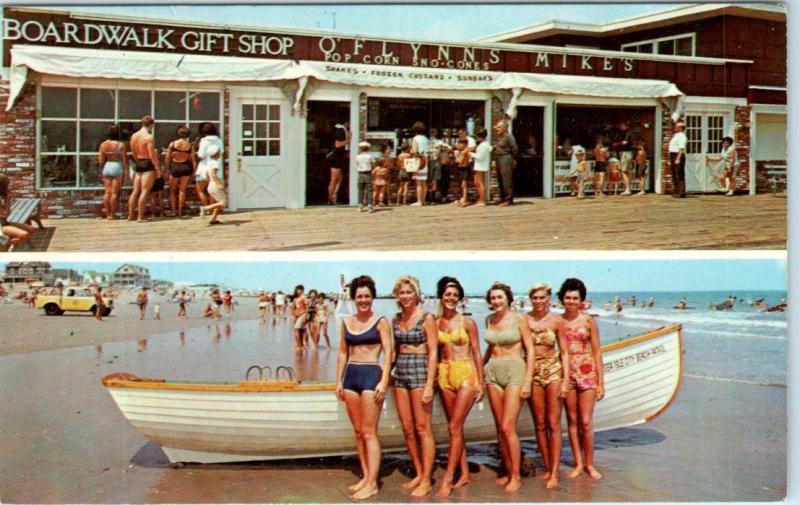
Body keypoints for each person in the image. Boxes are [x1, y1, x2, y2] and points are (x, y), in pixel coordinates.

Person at [334, 275, 392, 500]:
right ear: (354, 298)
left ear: (373, 297)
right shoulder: (347, 321)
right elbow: (341, 352)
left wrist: (384, 380)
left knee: (369, 432)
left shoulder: (380, 322)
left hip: (371, 375)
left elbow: (389, 353)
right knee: (358, 432)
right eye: (359, 296)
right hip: (351, 376)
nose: (363, 300)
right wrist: (338, 380)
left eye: (367, 296)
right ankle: (366, 477)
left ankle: (373, 483)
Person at [435, 277, 484, 497]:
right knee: (456, 427)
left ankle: (447, 477)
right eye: (447, 294)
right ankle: (464, 473)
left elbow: (477, 352)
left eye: (455, 295)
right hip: (444, 374)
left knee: (454, 427)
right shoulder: (435, 323)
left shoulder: (468, 323)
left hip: (466, 372)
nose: (451, 298)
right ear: (441, 296)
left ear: (460, 298)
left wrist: (481, 382)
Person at [483, 282, 534, 492]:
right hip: (493, 372)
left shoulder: (519, 320)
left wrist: (528, 380)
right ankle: (507, 470)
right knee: (499, 428)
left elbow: (530, 351)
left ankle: (516, 476)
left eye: (500, 297)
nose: (496, 301)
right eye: (493, 298)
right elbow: (491, 347)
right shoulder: (489, 319)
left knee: (507, 426)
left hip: (515, 371)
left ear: (508, 299)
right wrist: (479, 366)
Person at [390, 275, 437, 497]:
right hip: (400, 370)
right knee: (407, 428)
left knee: (422, 427)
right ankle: (418, 473)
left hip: (420, 369)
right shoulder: (395, 318)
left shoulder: (427, 318)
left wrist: (429, 384)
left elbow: (434, 352)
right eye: (402, 293)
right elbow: (392, 350)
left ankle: (427, 479)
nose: (406, 296)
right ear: (397, 296)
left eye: (409, 292)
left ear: (417, 294)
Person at [558, 278, 604, 480]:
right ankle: (578, 463)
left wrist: (601, 382)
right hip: (567, 372)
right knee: (572, 420)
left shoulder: (588, 321)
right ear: (562, 299)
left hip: (587, 372)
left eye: (575, 298)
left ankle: (590, 464)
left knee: (586, 421)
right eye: (567, 297)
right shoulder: (557, 322)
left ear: (581, 300)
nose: (571, 301)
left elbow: (597, 351)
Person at [524, 283, 564, 489]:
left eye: (542, 298)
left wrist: (565, 381)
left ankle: (555, 472)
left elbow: (564, 351)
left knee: (553, 423)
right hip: (532, 372)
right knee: (539, 423)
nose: (538, 301)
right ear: (531, 299)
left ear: (548, 299)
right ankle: (548, 467)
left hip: (553, 370)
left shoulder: (557, 321)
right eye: (535, 298)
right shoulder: (525, 320)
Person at [128, 115, 162, 222]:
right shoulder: (149, 137)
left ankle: (130, 215)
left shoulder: (134, 136)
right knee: (145, 191)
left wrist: (138, 160)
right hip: (147, 163)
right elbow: (152, 155)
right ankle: (140, 216)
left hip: (138, 162)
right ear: (151, 125)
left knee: (135, 191)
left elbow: (133, 152)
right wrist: (157, 168)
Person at [97, 124, 128, 220]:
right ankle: (113, 215)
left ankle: (108, 214)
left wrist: (101, 170)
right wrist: (126, 171)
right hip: (116, 165)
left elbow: (101, 160)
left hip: (107, 166)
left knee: (107, 192)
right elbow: (124, 160)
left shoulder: (103, 145)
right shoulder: (120, 145)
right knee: (114, 193)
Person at [165, 126, 196, 217]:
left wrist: (167, 169)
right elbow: (193, 160)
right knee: (182, 190)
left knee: (172, 191)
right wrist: (194, 171)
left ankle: (174, 211)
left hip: (175, 166)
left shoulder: (173, 144)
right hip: (185, 167)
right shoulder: (190, 146)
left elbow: (167, 158)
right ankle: (180, 211)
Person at [0, 173, 34, 249]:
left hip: (3, 222)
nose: (8, 187)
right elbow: (5, 213)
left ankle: (3, 242)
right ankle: (3, 243)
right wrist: (8, 200)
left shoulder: (2, 196)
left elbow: (7, 213)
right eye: (7, 184)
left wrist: (7, 199)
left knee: (31, 229)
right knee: (24, 235)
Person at [199, 131, 226, 223]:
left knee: (219, 202)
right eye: (219, 152)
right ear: (216, 153)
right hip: (214, 184)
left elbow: (207, 174)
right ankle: (205, 208)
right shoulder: (215, 163)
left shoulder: (209, 162)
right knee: (223, 203)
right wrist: (219, 184)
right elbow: (214, 174)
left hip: (210, 184)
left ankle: (213, 219)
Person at [492, 120, 518, 206]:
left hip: (506, 158)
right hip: (499, 158)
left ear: (505, 128)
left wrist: (513, 159)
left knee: (506, 179)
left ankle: (509, 199)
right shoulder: (500, 137)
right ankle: (502, 198)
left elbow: (515, 148)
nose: (497, 129)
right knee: (500, 178)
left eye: (499, 127)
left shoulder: (509, 136)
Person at [328, 120, 350, 205]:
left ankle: (334, 196)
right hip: (336, 157)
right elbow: (337, 144)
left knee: (340, 177)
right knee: (334, 178)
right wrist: (348, 140)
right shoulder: (340, 129)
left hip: (338, 156)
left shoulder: (337, 128)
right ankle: (330, 198)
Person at [469, 128, 491, 206]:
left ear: (480, 136)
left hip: (480, 166)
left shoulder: (483, 145)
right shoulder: (484, 144)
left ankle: (483, 200)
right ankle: (481, 198)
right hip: (480, 165)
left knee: (480, 183)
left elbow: (480, 157)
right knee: (477, 183)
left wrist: (470, 154)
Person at [410, 122, 430, 206]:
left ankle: (419, 201)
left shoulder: (415, 138)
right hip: (425, 160)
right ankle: (423, 200)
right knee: (424, 181)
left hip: (418, 161)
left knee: (418, 182)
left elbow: (414, 151)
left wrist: (411, 151)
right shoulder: (426, 138)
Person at [612, 121, 633, 195]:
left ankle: (627, 189)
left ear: (625, 126)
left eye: (622, 125)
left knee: (624, 171)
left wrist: (617, 144)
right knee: (628, 171)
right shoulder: (629, 133)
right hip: (629, 153)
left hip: (626, 153)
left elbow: (625, 142)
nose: (620, 127)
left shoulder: (627, 133)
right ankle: (629, 188)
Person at [668, 121, 687, 197]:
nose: (675, 128)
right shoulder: (676, 135)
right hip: (673, 154)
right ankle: (676, 191)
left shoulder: (682, 136)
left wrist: (678, 158)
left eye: (676, 127)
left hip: (678, 155)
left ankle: (681, 192)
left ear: (680, 128)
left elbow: (681, 149)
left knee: (679, 174)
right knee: (674, 174)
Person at [355, 141, 375, 213]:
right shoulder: (370, 156)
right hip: (368, 173)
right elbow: (373, 163)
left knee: (360, 190)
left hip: (360, 173)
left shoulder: (358, 156)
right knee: (369, 190)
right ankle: (369, 205)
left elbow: (357, 164)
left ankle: (360, 205)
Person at [291, 285, 308, 349]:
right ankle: (300, 344)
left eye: (299, 290)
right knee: (300, 330)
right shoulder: (295, 298)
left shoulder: (304, 297)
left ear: (302, 290)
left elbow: (307, 308)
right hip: (297, 315)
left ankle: (299, 345)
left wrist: (305, 317)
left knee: (296, 329)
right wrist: (293, 315)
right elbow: (293, 308)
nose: (298, 291)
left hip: (302, 314)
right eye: (297, 290)